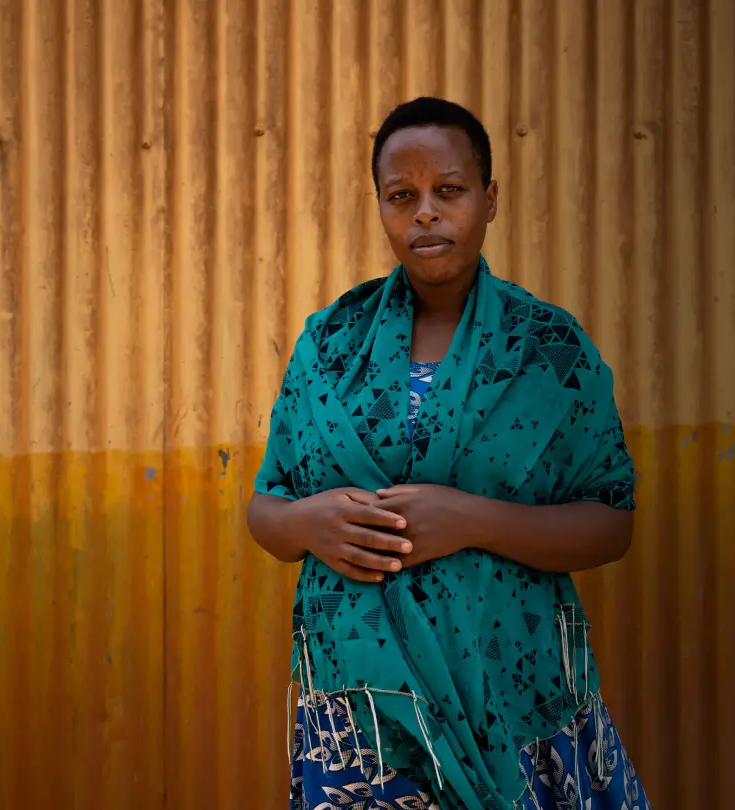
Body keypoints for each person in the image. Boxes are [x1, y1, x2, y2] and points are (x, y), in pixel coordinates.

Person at [246, 96, 652, 810]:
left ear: (489, 200)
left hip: (507, 694)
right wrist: (307, 525)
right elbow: (266, 504)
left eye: (449, 191)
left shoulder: (548, 352)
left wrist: (472, 521)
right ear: (380, 206)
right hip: (361, 724)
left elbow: (610, 521)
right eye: (402, 196)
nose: (425, 213)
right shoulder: (330, 344)